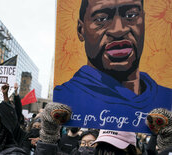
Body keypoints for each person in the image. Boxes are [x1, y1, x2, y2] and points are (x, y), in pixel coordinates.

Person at [53, 0, 172, 132]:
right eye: (101, 19)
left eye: (131, 15)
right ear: (81, 30)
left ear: (143, 21)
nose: (118, 30)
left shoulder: (166, 100)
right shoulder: (64, 100)